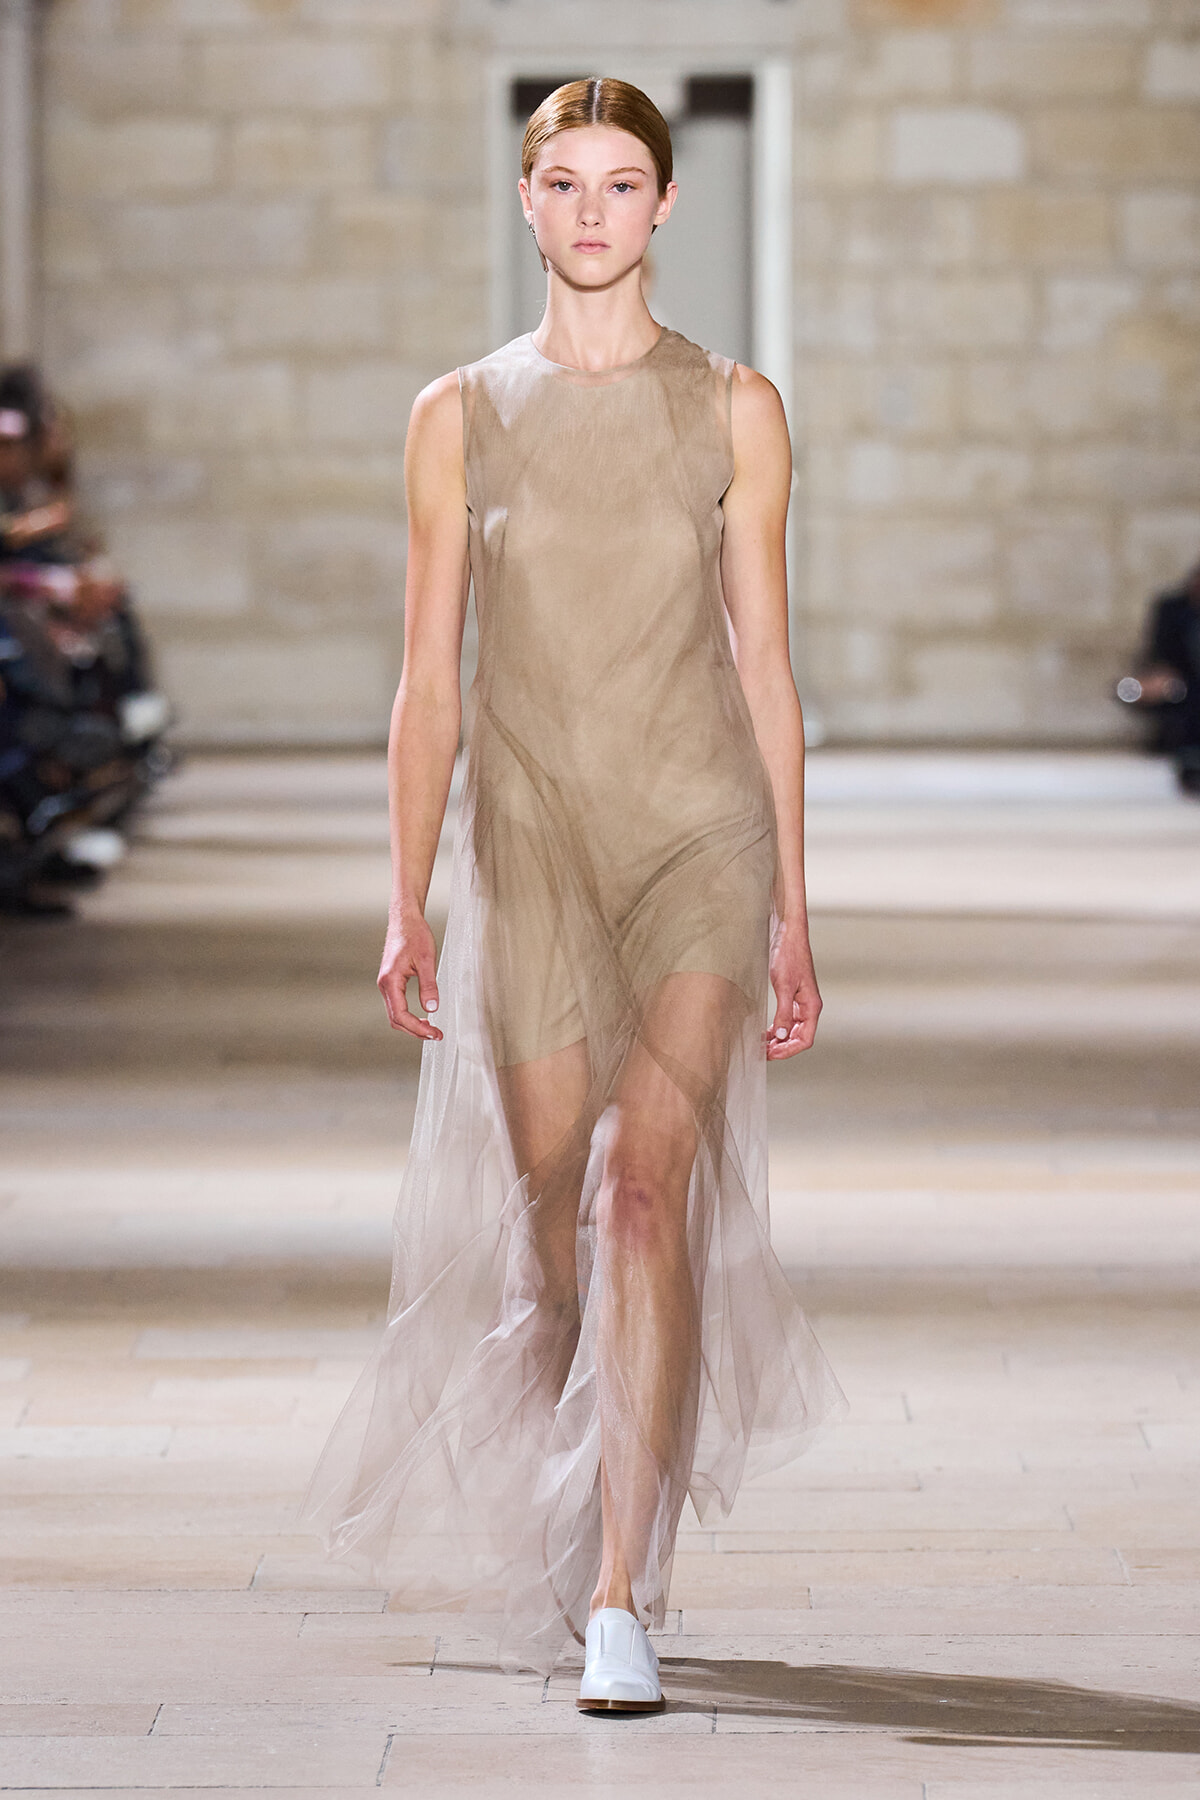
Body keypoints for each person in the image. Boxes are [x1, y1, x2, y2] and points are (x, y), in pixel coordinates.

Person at [303, 77, 845, 1713]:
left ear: (668, 207)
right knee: (550, 1236)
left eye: (624, 181)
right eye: (564, 180)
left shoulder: (739, 407)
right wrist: (407, 895)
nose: (595, 208)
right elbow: (429, 681)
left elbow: (767, 662)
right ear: (526, 204)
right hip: (528, 845)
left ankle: (623, 1588)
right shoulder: (458, 414)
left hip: (698, 840)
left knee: (639, 1193)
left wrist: (794, 906)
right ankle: (583, 1500)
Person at [1123, 561, 1200, 796]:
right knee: (1182, 691)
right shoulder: (1173, 609)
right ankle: (1190, 759)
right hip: (1181, 684)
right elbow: (1160, 653)